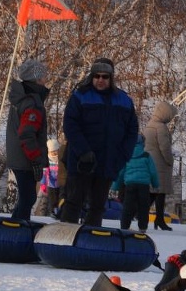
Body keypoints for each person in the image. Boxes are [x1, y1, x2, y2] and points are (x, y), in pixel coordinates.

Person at [59, 57, 138, 227]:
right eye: (97, 76)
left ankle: (90, 242)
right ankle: (63, 239)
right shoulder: (80, 96)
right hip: (81, 162)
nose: (100, 80)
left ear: (111, 78)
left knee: (97, 207)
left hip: (108, 162)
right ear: (92, 77)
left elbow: (132, 132)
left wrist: (122, 157)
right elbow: (70, 125)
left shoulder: (124, 101)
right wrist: (83, 151)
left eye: (105, 77)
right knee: (73, 203)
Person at [4, 59, 49, 222]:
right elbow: (27, 133)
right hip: (26, 158)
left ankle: (16, 224)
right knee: (28, 197)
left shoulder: (21, 98)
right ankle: (17, 228)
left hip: (18, 155)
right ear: (37, 79)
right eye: (44, 77)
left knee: (26, 197)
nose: (46, 80)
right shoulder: (32, 102)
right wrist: (37, 160)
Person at [111, 135, 158, 232]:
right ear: (142, 144)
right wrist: (155, 184)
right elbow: (153, 171)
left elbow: (121, 172)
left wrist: (115, 186)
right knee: (144, 207)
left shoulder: (127, 156)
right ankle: (142, 227)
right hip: (144, 185)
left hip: (130, 185)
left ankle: (124, 226)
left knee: (127, 206)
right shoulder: (146, 155)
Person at [142, 99, 177, 230]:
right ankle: (158, 219)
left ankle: (147, 217)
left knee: (153, 193)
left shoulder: (149, 125)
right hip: (160, 164)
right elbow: (165, 147)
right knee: (159, 194)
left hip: (150, 163)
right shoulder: (161, 128)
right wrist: (170, 160)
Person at [37, 137, 62, 217]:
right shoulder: (47, 161)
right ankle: (53, 211)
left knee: (61, 198)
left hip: (61, 183)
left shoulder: (61, 159)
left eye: (56, 151)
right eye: (52, 152)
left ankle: (60, 211)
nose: (55, 154)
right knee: (53, 199)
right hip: (51, 184)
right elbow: (44, 174)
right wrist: (43, 184)